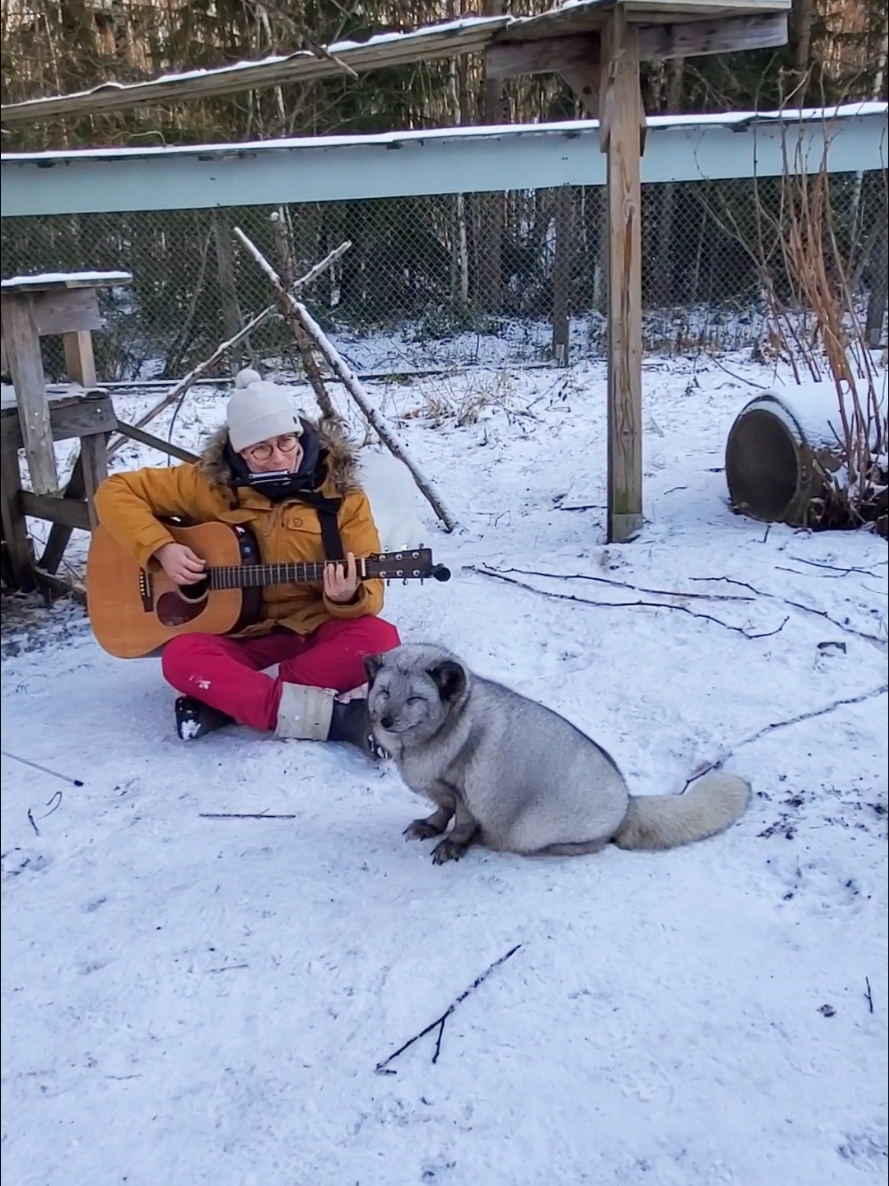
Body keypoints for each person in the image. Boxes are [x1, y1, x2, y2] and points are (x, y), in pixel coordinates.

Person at [94, 369, 400, 752]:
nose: (279, 458)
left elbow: (371, 590)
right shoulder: (206, 484)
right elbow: (114, 491)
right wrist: (161, 548)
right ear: (238, 453)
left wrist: (347, 597)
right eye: (261, 450)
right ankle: (336, 720)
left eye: (287, 442)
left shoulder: (341, 496)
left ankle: (232, 702)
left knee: (379, 640)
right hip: (237, 635)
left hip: (311, 629)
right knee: (180, 657)